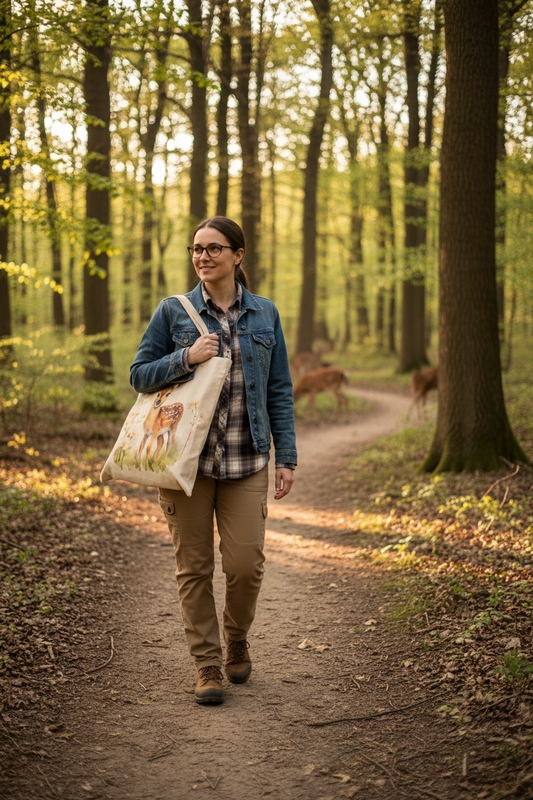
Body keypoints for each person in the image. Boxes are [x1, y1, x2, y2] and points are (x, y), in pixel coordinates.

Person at [130, 216, 297, 705]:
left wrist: (285, 457)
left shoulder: (265, 315)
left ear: (238, 255)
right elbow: (139, 375)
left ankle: (237, 637)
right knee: (194, 567)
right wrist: (186, 359)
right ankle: (207, 665)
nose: (203, 256)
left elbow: (279, 390)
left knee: (246, 566)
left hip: (247, 460)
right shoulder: (172, 313)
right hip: (185, 466)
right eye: (196, 249)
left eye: (214, 248)